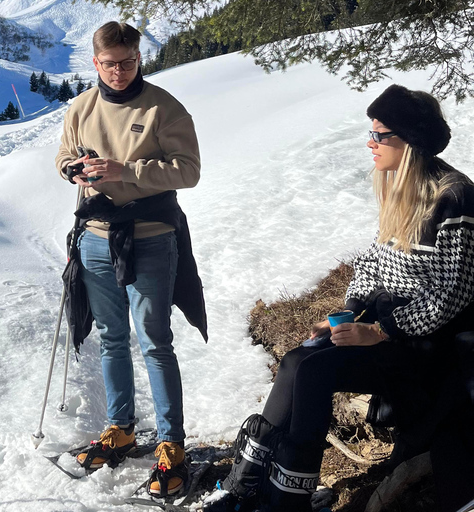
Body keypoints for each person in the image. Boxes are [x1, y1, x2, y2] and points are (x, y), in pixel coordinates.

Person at [210, 84, 474, 512]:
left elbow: (452, 295)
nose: (370, 143)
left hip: (426, 347)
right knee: (298, 360)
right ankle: (246, 486)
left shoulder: (453, 197)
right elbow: (371, 264)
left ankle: (287, 501)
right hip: (389, 333)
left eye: (380, 134)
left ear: (411, 140)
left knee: (313, 373)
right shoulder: (398, 188)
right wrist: (348, 311)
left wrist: (380, 330)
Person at [55, 21, 207, 497]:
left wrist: (126, 170)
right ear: (94, 61)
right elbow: (62, 158)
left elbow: (189, 172)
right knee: (111, 336)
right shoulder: (81, 106)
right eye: (109, 64)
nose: (119, 72)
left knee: (155, 340)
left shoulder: (164, 107)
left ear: (140, 57)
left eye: (128, 62)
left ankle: (171, 444)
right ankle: (120, 429)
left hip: (151, 234)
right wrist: (74, 170)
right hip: (96, 235)